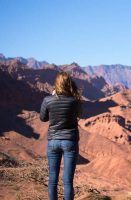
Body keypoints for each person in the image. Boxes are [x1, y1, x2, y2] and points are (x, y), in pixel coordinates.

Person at [40, 72, 82, 200]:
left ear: (56, 84)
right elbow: (79, 114)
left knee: (53, 178)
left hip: (53, 141)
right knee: (68, 180)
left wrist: (53, 100)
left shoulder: (48, 100)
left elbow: (43, 118)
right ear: (69, 84)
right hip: (70, 141)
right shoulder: (74, 101)